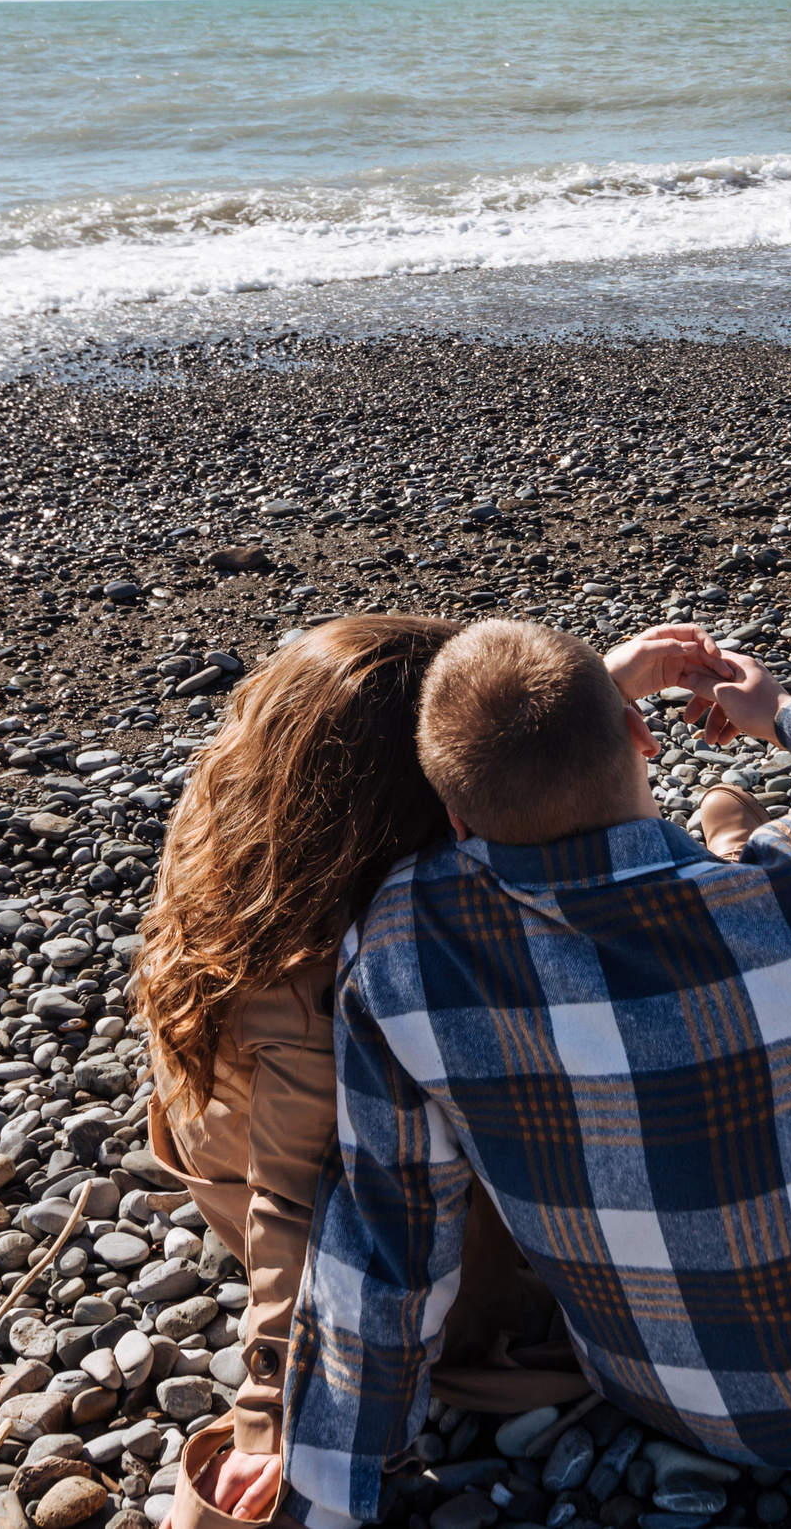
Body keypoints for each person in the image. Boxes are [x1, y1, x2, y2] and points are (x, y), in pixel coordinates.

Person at [266, 619, 791, 1529]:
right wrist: (783, 714)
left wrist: (328, 1493)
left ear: (454, 821)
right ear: (641, 737)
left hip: (655, 1395)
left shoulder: (402, 946)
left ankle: (728, 836)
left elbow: (386, 1237)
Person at [136, 616, 591, 1529]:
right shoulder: (326, 981)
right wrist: (271, 1413)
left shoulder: (249, 860)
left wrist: (597, 691)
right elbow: (292, 1204)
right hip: (400, 1278)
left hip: (222, 1157)